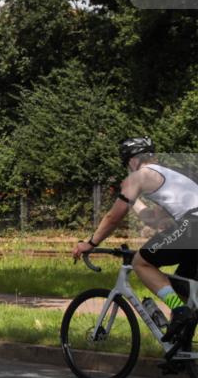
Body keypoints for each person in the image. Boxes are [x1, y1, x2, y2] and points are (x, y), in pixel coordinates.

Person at [72, 137, 198, 342]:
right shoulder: (171, 177)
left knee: (141, 262)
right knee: (180, 286)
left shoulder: (140, 175)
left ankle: (179, 311)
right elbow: (154, 219)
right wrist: (134, 202)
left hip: (193, 225)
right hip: (193, 227)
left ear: (132, 161)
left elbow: (114, 217)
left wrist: (91, 243)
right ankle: (182, 350)